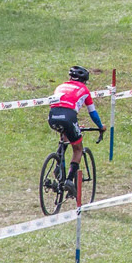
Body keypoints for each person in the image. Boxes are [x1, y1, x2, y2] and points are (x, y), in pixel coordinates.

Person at [48, 65, 104, 195]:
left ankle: (58, 165)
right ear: (84, 80)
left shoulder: (60, 86)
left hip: (52, 116)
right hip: (68, 117)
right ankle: (68, 180)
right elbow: (93, 113)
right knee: (78, 148)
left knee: (65, 137)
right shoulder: (84, 89)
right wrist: (101, 126)